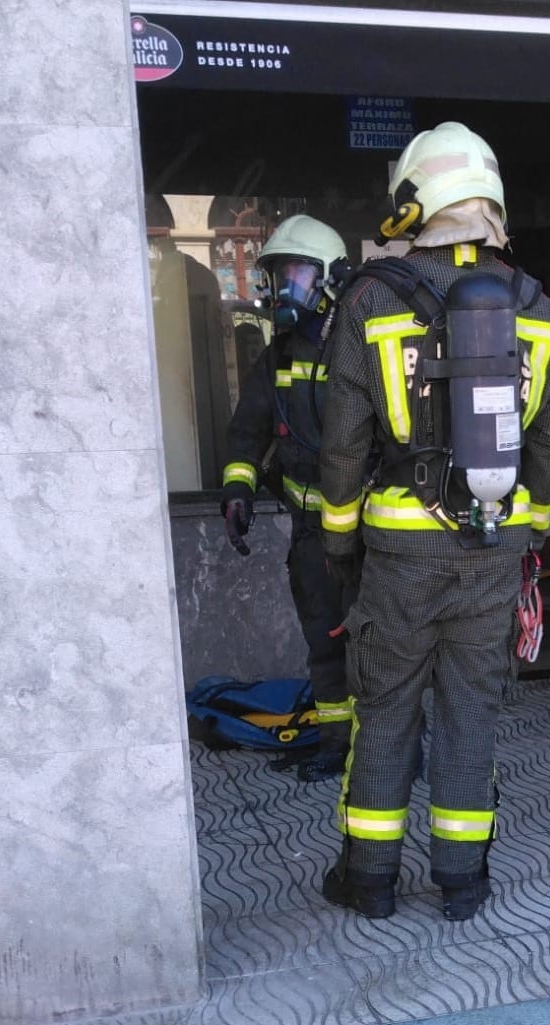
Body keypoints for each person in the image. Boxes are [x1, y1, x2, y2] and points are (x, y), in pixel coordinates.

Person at [315, 121, 550, 921]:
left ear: (413, 200)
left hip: (396, 552)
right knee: (470, 713)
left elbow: (342, 447)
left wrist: (337, 541)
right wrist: (526, 531)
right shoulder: (541, 312)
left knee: (387, 708)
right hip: (491, 549)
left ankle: (370, 880)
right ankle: (462, 883)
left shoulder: (369, 301)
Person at [219, 214, 356, 781]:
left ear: (330, 278)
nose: (283, 290)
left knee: (379, 652)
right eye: (278, 276)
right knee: (325, 645)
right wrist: (237, 489)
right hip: (311, 537)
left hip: (371, 533)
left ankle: (391, 747)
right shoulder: (278, 353)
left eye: (297, 274)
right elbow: (247, 430)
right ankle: (334, 743)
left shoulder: (360, 345)